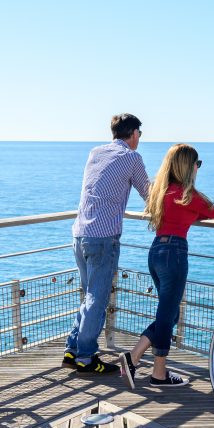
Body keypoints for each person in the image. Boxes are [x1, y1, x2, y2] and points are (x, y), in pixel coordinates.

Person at [121, 144, 214, 388]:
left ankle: (135, 357)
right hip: (174, 255)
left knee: (170, 313)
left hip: (156, 252)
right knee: (167, 315)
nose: (198, 168)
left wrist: (209, 213)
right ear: (190, 166)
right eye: (198, 164)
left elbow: (189, 213)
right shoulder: (189, 196)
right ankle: (156, 372)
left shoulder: (161, 193)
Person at [63, 114, 150, 376]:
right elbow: (148, 193)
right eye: (140, 134)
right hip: (103, 239)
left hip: (80, 234)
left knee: (89, 294)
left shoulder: (96, 152)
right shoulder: (132, 158)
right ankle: (86, 357)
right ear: (133, 133)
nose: (140, 140)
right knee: (96, 299)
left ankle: (72, 349)